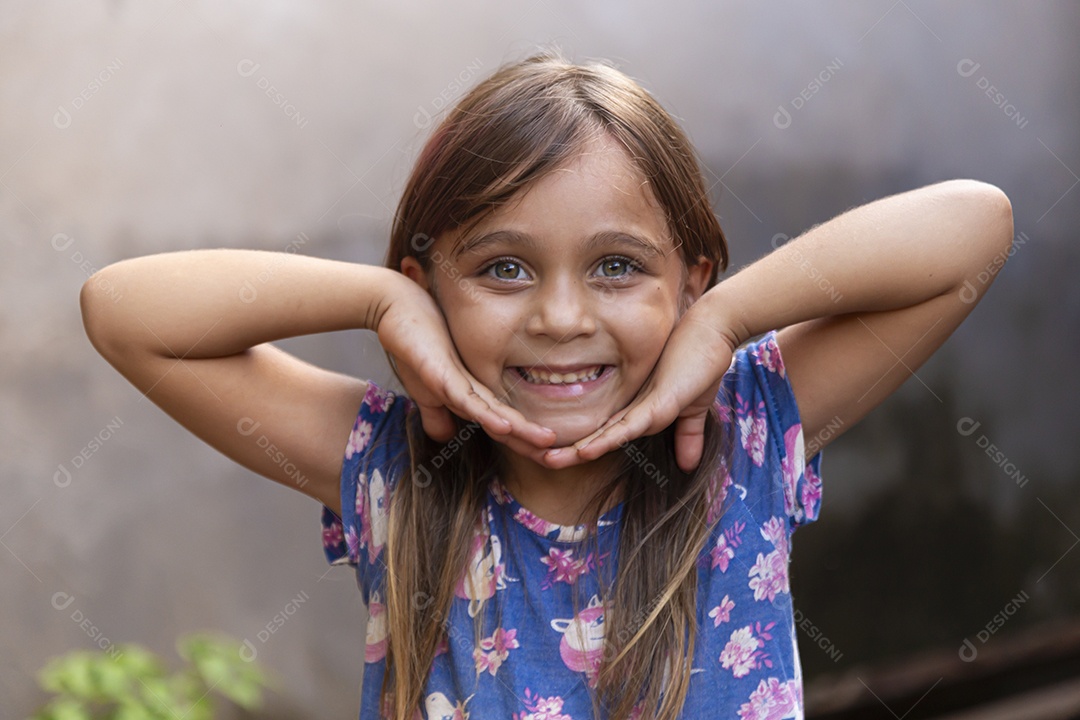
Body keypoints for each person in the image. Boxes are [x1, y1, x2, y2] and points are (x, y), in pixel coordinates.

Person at [80, 49, 1014, 720]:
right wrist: (375, 301)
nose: (562, 318)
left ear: (687, 282)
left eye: (617, 267)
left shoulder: (751, 430)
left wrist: (723, 322)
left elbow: (972, 227)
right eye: (503, 270)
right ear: (432, 288)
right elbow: (125, 313)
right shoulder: (392, 470)